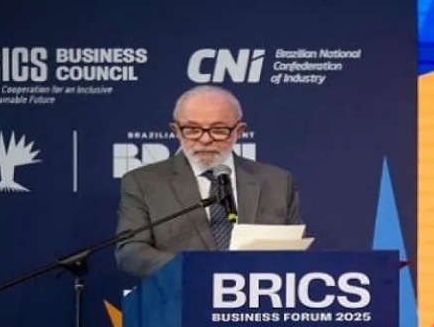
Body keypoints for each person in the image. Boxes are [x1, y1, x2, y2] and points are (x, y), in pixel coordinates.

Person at [115, 85, 302, 277]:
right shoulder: (143, 183)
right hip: (181, 291)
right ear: (176, 130)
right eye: (192, 129)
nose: (205, 139)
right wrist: (198, 270)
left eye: (218, 130)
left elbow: (295, 252)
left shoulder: (277, 181)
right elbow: (130, 251)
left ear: (239, 131)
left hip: (256, 292)